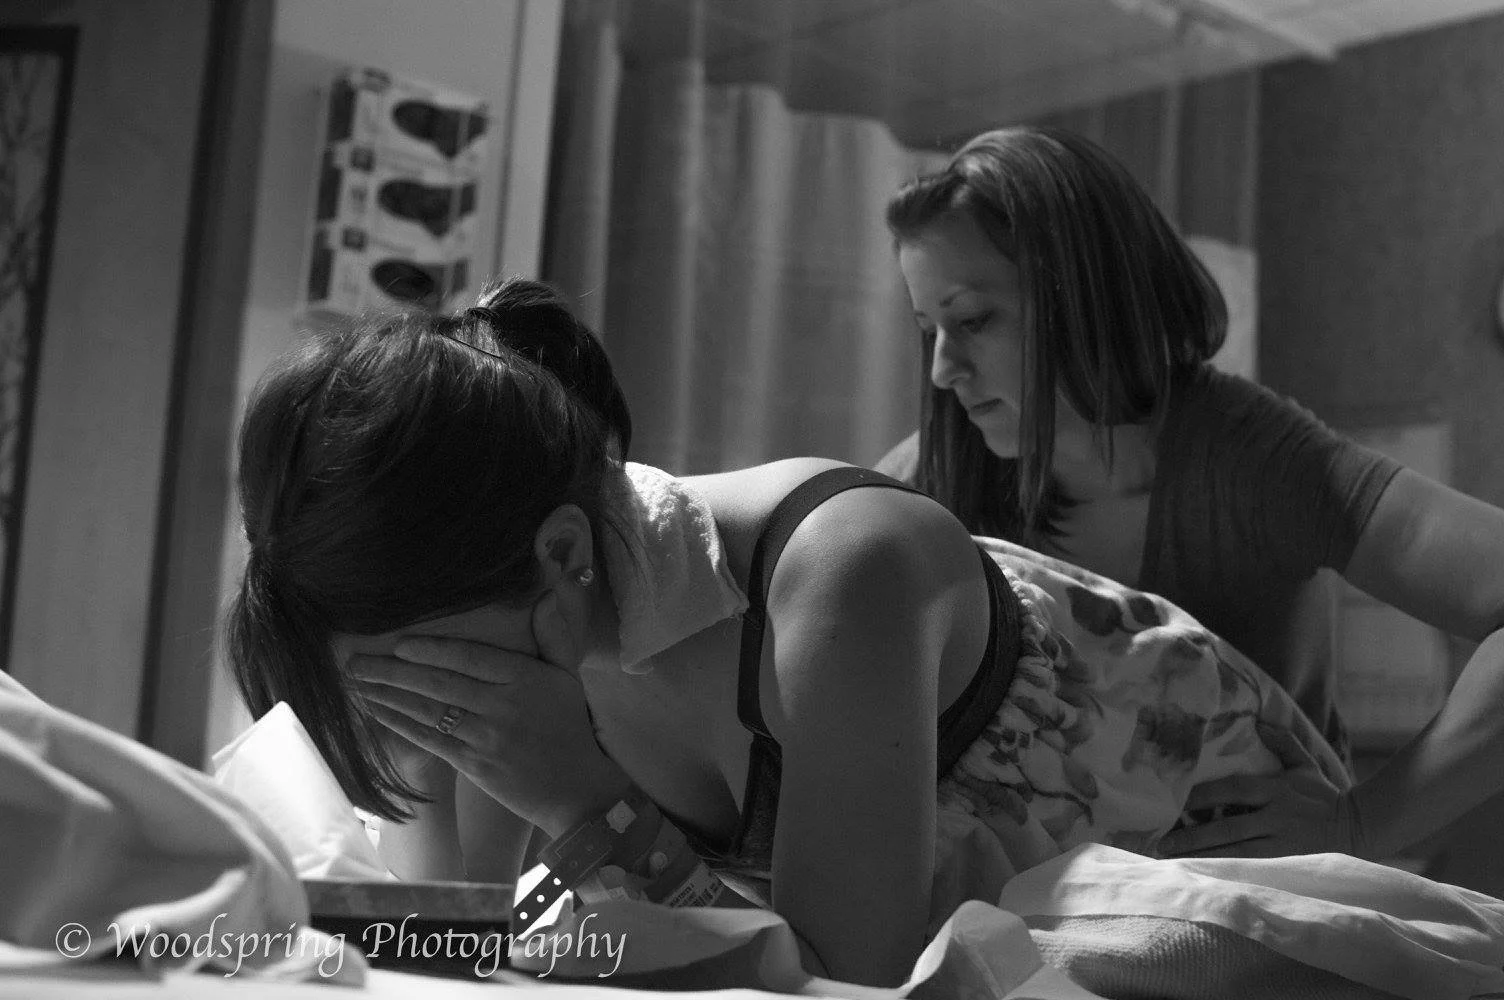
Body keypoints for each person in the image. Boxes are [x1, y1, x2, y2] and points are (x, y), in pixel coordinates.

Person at [226, 278, 1348, 987]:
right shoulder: (529, 619)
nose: (426, 720)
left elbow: (851, 986)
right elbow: (469, 944)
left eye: (426, 684)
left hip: (1247, 879)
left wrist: (585, 803)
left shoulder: (840, 576)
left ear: (565, 559)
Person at [874, 125, 1504, 864]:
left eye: (972, 320)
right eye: (929, 331)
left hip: (1252, 907)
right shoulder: (935, 477)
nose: (943, 370)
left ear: (1081, 298)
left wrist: (1365, 822)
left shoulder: (1252, 459)